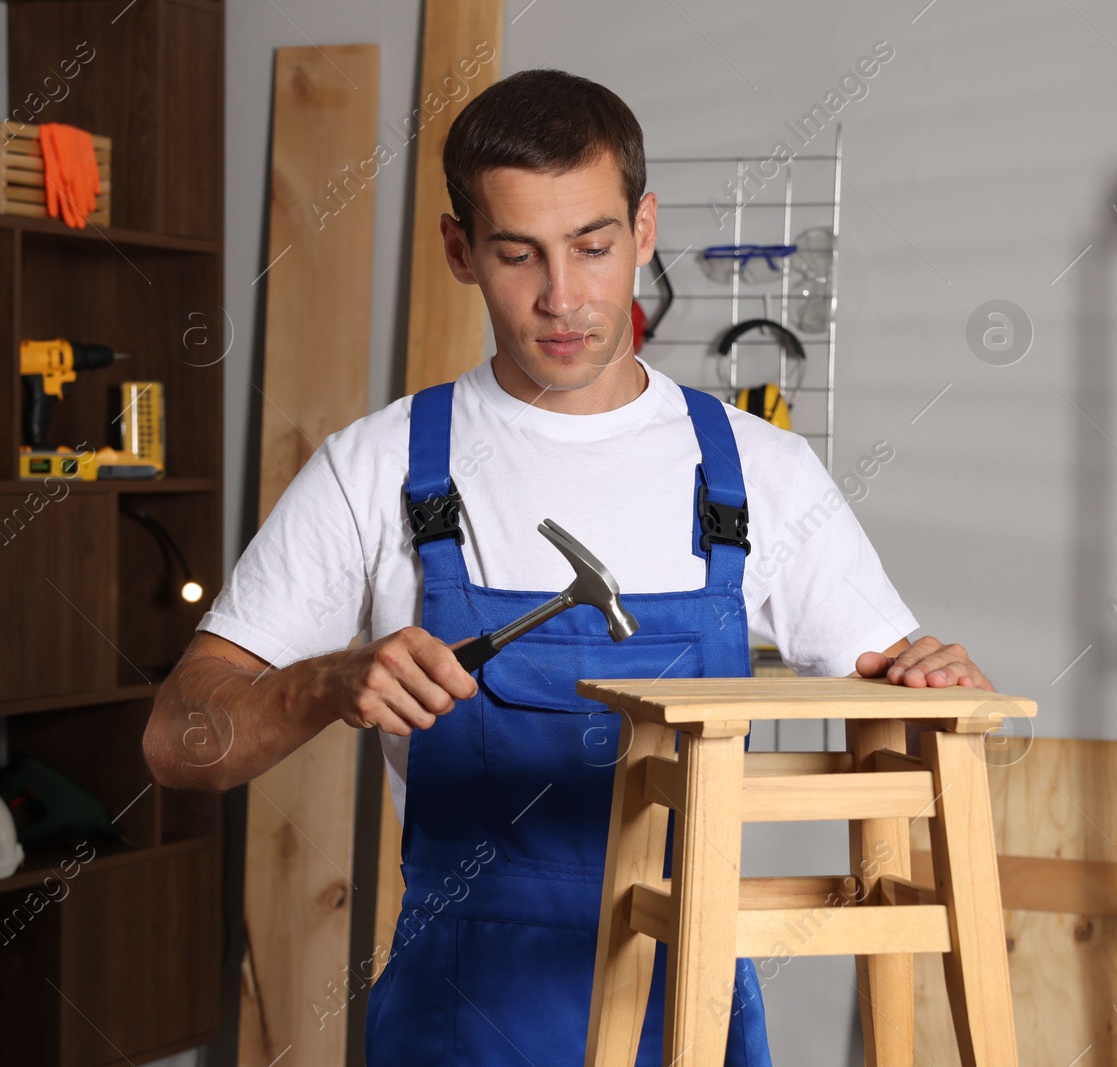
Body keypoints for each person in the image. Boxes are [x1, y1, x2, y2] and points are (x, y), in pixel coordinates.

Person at [143, 68, 994, 1066]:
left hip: (688, 1005)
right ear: (460, 250)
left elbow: (892, 703)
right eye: (518, 253)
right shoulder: (376, 467)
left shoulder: (754, 469)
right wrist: (327, 680)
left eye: (592, 246)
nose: (563, 297)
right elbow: (173, 743)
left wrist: (931, 680)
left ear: (643, 228)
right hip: (464, 1015)